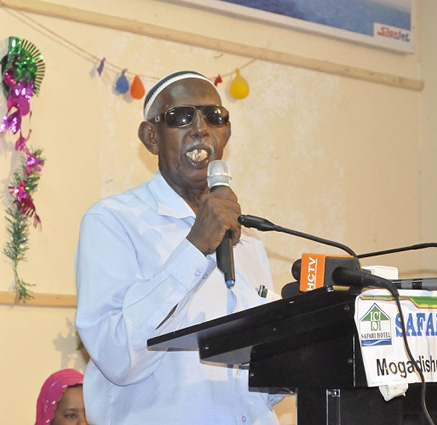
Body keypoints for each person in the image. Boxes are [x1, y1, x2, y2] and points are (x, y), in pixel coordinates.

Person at [75, 70, 282, 424]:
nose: (201, 128)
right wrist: (196, 246)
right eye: (181, 117)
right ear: (151, 137)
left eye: (214, 116)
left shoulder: (248, 242)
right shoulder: (113, 222)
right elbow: (118, 357)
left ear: (227, 133)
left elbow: (267, 379)